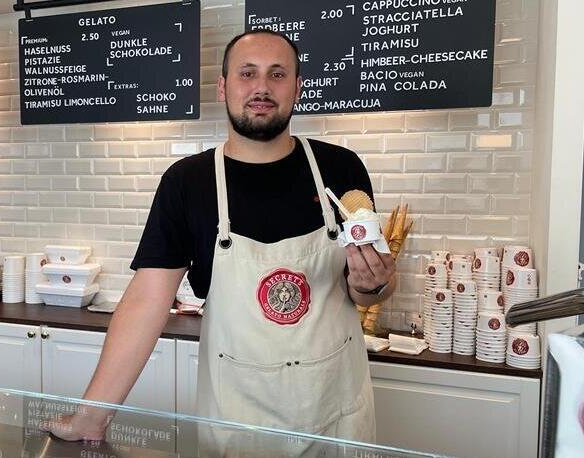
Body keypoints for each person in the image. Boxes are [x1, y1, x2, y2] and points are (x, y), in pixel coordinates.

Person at [42, 30, 396, 450]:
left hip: (336, 415)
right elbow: (146, 303)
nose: (261, 87)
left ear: (298, 88)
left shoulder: (341, 169)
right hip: (237, 418)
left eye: (277, 74)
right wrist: (92, 416)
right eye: (247, 73)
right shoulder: (186, 183)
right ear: (223, 86)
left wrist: (372, 283)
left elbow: (373, 293)